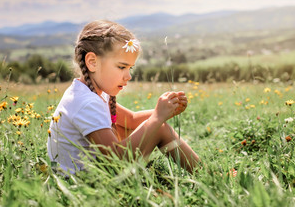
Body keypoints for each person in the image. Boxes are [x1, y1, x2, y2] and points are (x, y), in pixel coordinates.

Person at [47, 20, 200, 174]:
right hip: (83, 183)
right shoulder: (86, 102)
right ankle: (204, 174)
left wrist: (167, 110)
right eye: (121, 67)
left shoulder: (89, 93)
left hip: (93, 172)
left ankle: (203, 173)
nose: (128, 76)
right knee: (159, 128)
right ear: (92, 62)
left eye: (130, 68)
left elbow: (131, 119)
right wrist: (158, 118)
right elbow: (116, 158)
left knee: (129, 126)